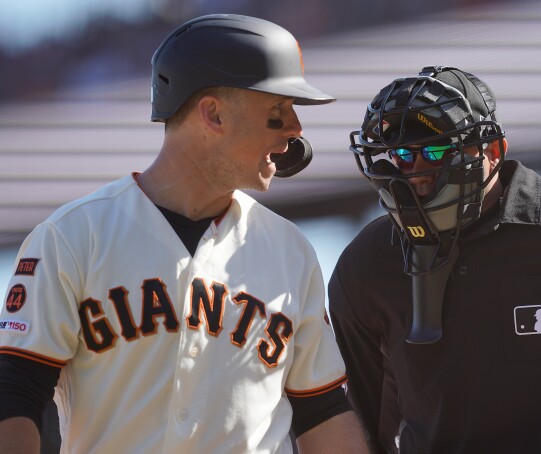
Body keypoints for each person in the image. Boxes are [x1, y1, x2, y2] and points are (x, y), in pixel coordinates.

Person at [0, 14, 368, 453]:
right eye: (277, 111)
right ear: (212, 113)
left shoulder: (290, 251)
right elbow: (15, 391)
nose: (295, 128)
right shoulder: (73, 236)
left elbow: (322, 410)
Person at [328, 65, 541, 453]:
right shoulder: (366, 266)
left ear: (492, 150)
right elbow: (356, 425)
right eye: (403, 155)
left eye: (437, 150)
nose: (416, 173)